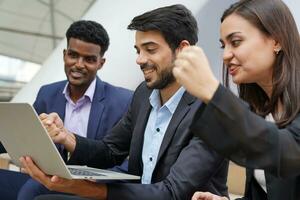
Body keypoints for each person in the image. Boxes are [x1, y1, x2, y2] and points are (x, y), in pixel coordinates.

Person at [21, 4, 229, 200]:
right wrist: (67, 137)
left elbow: (172, 192)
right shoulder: (143, 95)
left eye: (150, 49)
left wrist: (88, 189)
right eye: (138, 50)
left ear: (182, 49)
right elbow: (110, 151)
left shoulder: (213, 110)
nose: (140, 59)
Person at [173, 0, 300, 199]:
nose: (225, 55)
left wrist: (211, 90)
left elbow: (288, 154)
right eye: (223, 45)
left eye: (236, 42)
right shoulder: (261, 110)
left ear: (277, 41)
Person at [0, 20, 132, 200]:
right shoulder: (47, 93)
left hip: (92, 186)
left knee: (31, 194)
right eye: (73, 55)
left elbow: (127, 161)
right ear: (64, 55)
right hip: (50, 179)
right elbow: (27, 137)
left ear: (101, 63)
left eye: (89, 59)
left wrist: (98, 181)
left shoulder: (123, 101)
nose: (79, 64)